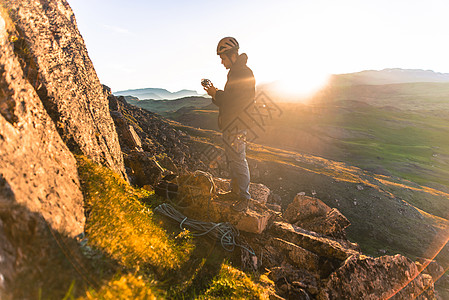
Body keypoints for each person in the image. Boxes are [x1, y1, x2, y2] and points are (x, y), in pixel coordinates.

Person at [204, 37, 255, 212]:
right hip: (233, 124)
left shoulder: (242, 73)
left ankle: (244, 197)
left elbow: (234, 101)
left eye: (223, 58)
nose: (221, 62)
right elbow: (230, 101)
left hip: (236, 125)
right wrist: (215, 94)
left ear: (232, 55)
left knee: (238, 159)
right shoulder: (237, 72)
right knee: (234, 160)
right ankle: (236, 192)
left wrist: (216, 93)